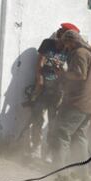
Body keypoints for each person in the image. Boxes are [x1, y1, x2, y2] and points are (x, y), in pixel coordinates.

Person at [47, 30, 91, 180]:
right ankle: (82, 175)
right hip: (88, 103)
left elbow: (79, 75)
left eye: (65, 43)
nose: (65, 47)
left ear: (71, 42)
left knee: (61, 135)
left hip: (78, 102)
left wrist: (62, 74)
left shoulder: (79, 53)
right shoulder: (86, 53)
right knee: (79, 138)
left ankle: (59, 174)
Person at [26, 23, 80, 156]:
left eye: (63, 31)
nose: (59, 32)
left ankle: (49, 150)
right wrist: (39, 79)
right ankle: (36, 147)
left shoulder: (71, 51)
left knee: (54, 122)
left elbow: (72, 72)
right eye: (60, 30)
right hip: (43, 87)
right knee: (37, 117)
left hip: (58, 90)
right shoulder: (48, 43)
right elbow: (40, 63)